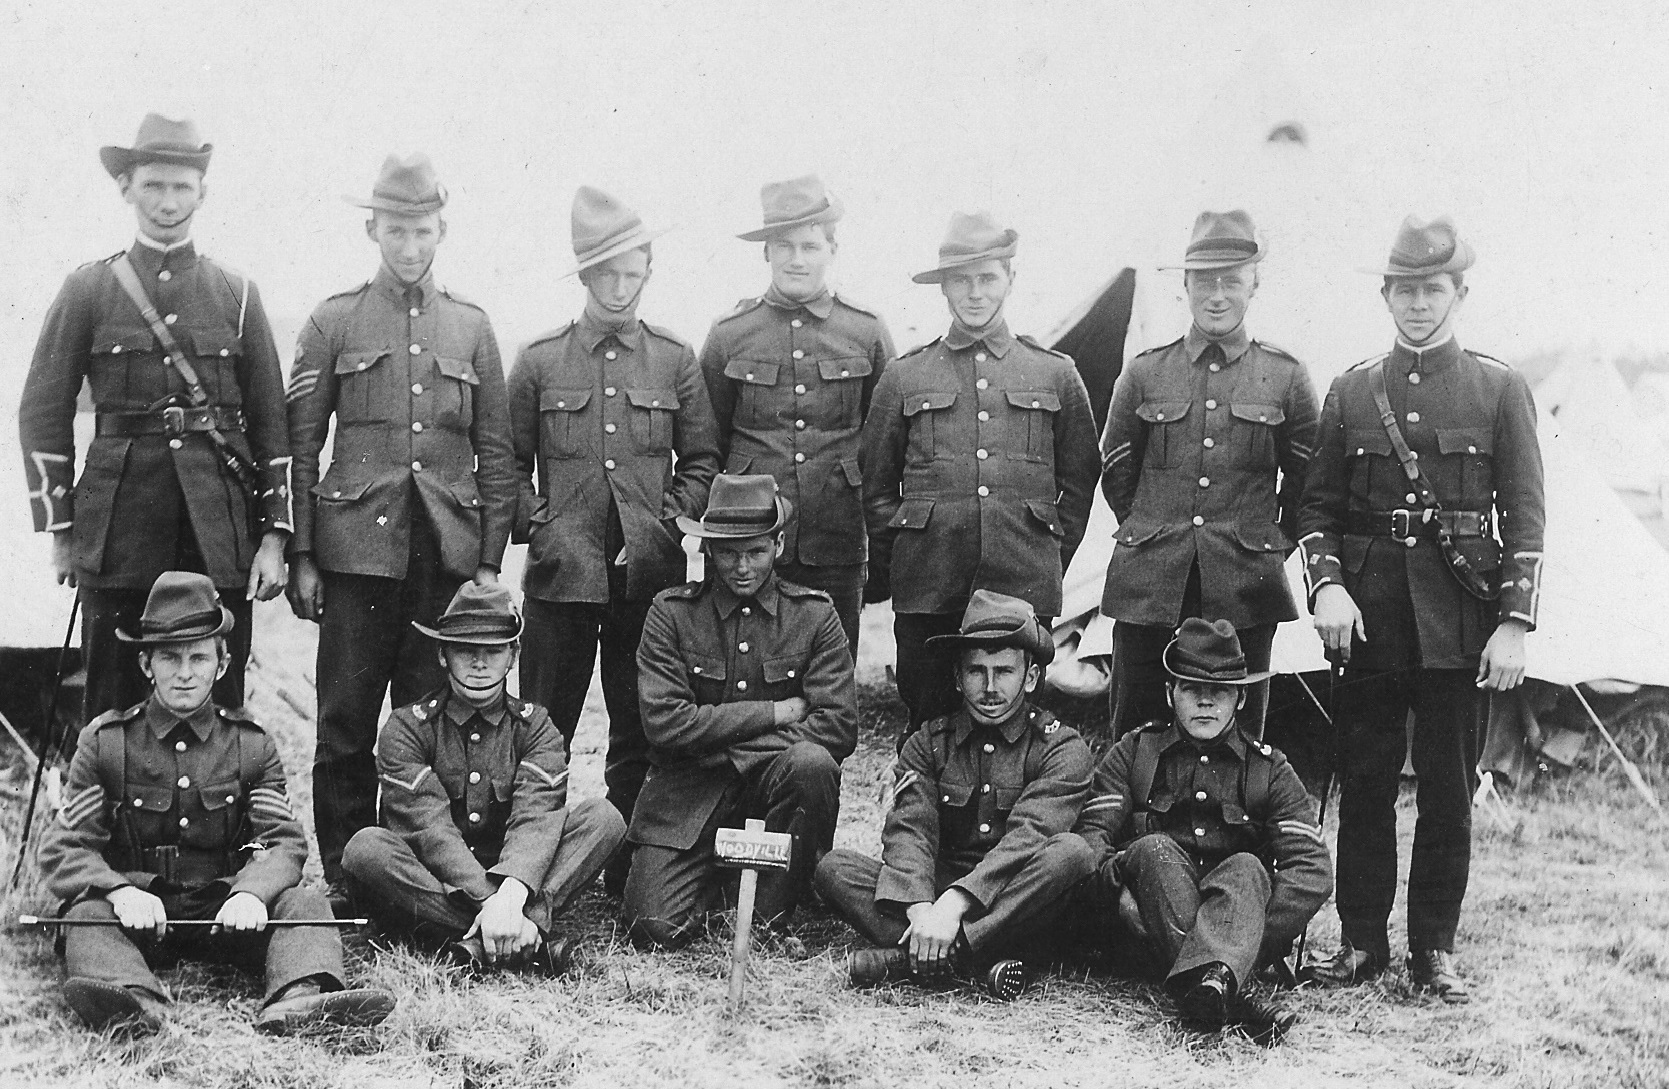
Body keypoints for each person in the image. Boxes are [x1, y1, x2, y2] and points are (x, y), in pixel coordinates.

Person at [1297, 216, 1545, 1002]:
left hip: (1459, 621)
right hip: (1368, 617)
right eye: (1402, 289)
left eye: (1430, 288)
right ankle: (1362, 941)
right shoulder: (1348, 390)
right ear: (1384, 294)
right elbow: (1316, 509)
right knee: (1365, 781)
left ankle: (1433, 947)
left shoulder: (1498, 388)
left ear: (1458, 292)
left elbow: (1526, 515)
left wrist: (1514, 622)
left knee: (1446, 788)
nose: (1415, 304)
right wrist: (1327, 586)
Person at [286, 153, 518, 907]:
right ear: (372, 228)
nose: (408, 245)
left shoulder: (472, 325)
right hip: (356, 555)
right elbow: (301, 446)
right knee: (346, 721)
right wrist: (304, 554)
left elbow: (498, 453)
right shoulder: (334, 319)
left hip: (444, 563)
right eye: (395, 230)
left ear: (440, 229)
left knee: (428, 725)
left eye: (421, 230)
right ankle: (349, 876)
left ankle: (419, 873)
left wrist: (485, 564)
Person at [19, 114, 292, 726]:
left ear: (202, 193)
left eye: (181, 188)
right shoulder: (87, 290)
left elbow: (272, 419)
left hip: (215, 533)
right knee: (112, 705)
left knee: (217, 706)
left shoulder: (238, 293)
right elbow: (42, 412)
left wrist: (273, 537)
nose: (168, 202)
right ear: (126, 189)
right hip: (118, 534)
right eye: (153, 187)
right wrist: (63, 531)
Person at [36, 572, 394, 1035]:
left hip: (228, 917)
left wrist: (250, 892)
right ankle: (135, 1003)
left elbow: (281, 843)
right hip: (140, 919)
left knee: (304, 903)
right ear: (146, 664)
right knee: (85, 917)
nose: (185, 673)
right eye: (170, 657)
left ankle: (300, 999)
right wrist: (119, 892)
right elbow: (65, 848)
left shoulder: (251, 745)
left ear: (222, 664)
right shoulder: (106, 742)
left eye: (199, 657)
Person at [508, 186, 719, 890]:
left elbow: (702, 461)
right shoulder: (539, 360)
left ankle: (623, 865)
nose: (620, 287)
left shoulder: (673, 358)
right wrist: (542, 526)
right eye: (607, 274)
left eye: (633, 272)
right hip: (559, 581)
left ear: (647, 271)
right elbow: (505, 463)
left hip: (645, 584)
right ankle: (530, 868)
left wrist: (663, 528)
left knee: (638, 730)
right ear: (584, 275)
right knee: (542, 731)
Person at [862, 212, 1099, 730]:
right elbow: (876, 487)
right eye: (962, 280)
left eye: (988, 277)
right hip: (930, 585)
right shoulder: (905, 375)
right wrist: (907, 555)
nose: (975, 293)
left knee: (1018, 726)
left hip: (1023, 579)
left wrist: (1049, 558)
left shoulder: (1055, 373)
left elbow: (1081, 478)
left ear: (1010, 279)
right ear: (944, 286)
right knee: (929, 720)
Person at [1099, 210, 1319, 740]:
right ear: (1185, 285)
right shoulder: (1145, 370)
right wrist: (1157, 529)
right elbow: (1116, 471)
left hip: (1246, 584)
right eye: (1204, 281)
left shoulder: (1285, 376)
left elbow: (1308, 482)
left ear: (1254, 284)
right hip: (1151, 579)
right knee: (1138, 725)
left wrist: (1264, 545)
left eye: (1232, 280)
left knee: (1239, 733)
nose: (1217, 295)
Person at [816, 589, 1094, 999]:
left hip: (1015, 893)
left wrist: (954, 907)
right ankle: (978, 956)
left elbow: (1029, 837)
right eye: (976, 671)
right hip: (937, 894)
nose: (989, 687)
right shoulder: (929, 743)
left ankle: (916, 958)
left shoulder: (1061, 748)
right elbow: (910, 832)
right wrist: (922, 910)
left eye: (1004, 671)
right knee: (835, 868)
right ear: (957, 678)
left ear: (1031, 677)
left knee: (1071, 854)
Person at [341, 582, 625, 973]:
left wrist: (510, 893)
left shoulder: (536, 726)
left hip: (518, 880)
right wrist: (493, 904)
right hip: (439, 879)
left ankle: (474, 942)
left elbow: (536, 818)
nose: (479, 663)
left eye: (493, 651)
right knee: (366, 848)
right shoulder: (407, 727)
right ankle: (526, 937)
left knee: (602, 818)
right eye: (465, 650)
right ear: (442, 655)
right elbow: (428, 828)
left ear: (513, 656)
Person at [626, 474, 856, 949]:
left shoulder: (814, 615)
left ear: (779, 543)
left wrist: (726, 748)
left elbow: (837, 725)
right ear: (708, 550)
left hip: (773, 794)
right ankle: (717, 883)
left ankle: (770, 905)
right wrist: (775, 713)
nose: (743, 567)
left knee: (812, 764)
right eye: (728, 553)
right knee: (653, 928)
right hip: (687, 796)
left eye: (756, 551)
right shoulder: (670, 614)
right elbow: (666, 725)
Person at [1075, 618, 1331, 1043]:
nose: (1206, 702)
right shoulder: (1134, 753)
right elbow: (1089, 844)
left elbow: (1312, 871)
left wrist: (1243, 936)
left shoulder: (1268, 769)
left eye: (1221, 691)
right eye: (1192, 689)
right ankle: (1229, 992)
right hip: (1143, 929)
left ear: (1242, 697)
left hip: (1228, 916)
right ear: (1169, 694)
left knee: (1247, 867)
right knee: (1154, 848)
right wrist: (1122, 901)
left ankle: (1213, 983)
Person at [699, 174, 895, 654]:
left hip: (837, 532)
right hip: (748, 538)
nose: (797, 259)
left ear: (832, 248)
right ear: (766, 252)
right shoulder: (730, 334)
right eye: (783, 246)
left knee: (831, 667)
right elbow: (706, 441)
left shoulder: (864, 331)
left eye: (810, 246)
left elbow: (886, 439)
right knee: (744, 667)